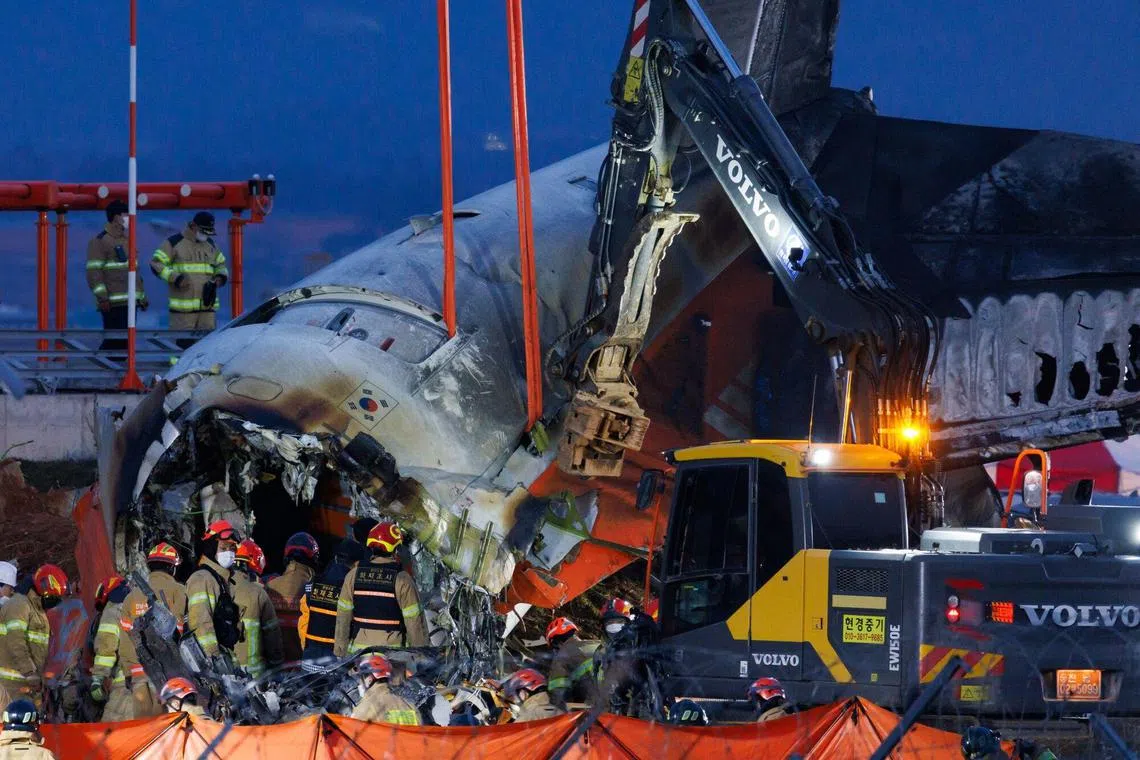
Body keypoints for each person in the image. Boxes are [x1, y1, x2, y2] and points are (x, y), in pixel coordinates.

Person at [334, 522, 428, 657]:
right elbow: (415, 623)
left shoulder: (353, 575)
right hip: (392, 656)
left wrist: (340, 651)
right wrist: (421, 655)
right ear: (396, 550)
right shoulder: (402, 579)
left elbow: (343, 617)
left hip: (360, 655)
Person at [119, 541, 188, 717]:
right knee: (165, 722)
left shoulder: (131, 597)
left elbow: (125, 639)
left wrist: (128, 671)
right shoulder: (178, 590)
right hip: (168, 671)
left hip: (138, 672)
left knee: (143, 725)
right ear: (172, 567)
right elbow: (182, 631)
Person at [150, 211, 228, 343]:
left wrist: (220, 277)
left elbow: (221, 265)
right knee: (183, 348)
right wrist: (176, 278)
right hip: (183, 312)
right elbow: (156, 264)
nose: (206, 235)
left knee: (207, 347)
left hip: (207, 310)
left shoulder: (211, 245)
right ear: (194, 226)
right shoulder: (174, 243)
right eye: (203, 231)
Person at [0, 565, 67, 709]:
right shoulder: (19, 605)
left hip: (27, 685)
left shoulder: (38, 609)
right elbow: (16, 642)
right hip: (12, 686)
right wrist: (30, 672)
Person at [87, 199, 148, 352]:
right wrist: (103, 298)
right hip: (113, 303)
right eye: (126, 214)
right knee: (114, 342)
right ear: (116, 217)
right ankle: (102, 365)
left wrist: (141, 297)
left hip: (130, 302)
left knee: (125, 344)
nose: (129, 218)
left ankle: (115, 367)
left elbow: (134, 272)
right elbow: (94, 272)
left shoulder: (128, 240)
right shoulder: (100, 241)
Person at [185, 520, 242, 659]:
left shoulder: (221, 580)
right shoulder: (202, 579)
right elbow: (200, 624)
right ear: (211, 549)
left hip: (225, 656)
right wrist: (214, 659)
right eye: (223, 548)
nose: (229, 553)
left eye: (232, 548)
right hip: (210, 661)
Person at [299, 539, 357, 671]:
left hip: (310, 660)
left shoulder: (312, 584)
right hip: (337, 662)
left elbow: (303, 623)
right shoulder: (352, 589)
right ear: (356, 564)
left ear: (335, 558)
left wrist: (307, 649)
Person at [232, 540, 284, 679]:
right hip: (256, 676)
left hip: (225, 671)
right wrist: (277, 665)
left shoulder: (218, 586)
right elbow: (272, 635)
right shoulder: (258, 593)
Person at [265, 533, 319, 664]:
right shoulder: (315, 589)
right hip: (304, 665)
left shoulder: (269, 585)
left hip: (275, 664)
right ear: (314, 559)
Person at [88, 575, 134, 722]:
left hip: (125, 685)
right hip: (151, 685)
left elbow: (106, 646)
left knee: (111, 730)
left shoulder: (113, 609)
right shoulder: (138, 607)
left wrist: (98, 679)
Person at [545, 617, 599, 709]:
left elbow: (558, 696)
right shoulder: (597, 644)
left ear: (556, 643)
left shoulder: (562, 657)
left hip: (598, 710)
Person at [349, 655, 420, 725]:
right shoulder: (409, 706)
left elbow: (354, 729)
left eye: (361, 679)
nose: (360, 683)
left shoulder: (365, 708)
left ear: (370, 679)